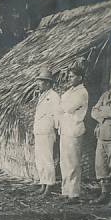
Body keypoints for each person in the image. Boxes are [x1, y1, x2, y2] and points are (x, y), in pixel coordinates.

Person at [91, 67, 111, 208]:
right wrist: (104, 114)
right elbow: (93, 111)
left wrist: (102, 110)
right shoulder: (105, 95)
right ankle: (104, 193)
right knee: (100, 166)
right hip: (102, 135)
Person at [58, 63, 89, 204]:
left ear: (80, 77)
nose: (69, 79)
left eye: (72, 76)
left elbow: (68, 107)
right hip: (65, 129)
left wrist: (62, 105)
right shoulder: (70, 91)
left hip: (74, 130)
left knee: (73, 163)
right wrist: (62, 105)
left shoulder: (82, 92)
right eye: (69, 76)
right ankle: (65, 191)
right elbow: (61, 105)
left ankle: (74, 193)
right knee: (64, 161)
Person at [32, 67, 61, 197]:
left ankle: (49, 186)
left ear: (48, 83)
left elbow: (57, 114)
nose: (38, 84)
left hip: (47, 131)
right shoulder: (42, 96)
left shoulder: (54, 96)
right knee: (40, 159)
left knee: (47, 159)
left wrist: (54, 129)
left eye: (41, 82)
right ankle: (43, 183)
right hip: (39, 131)